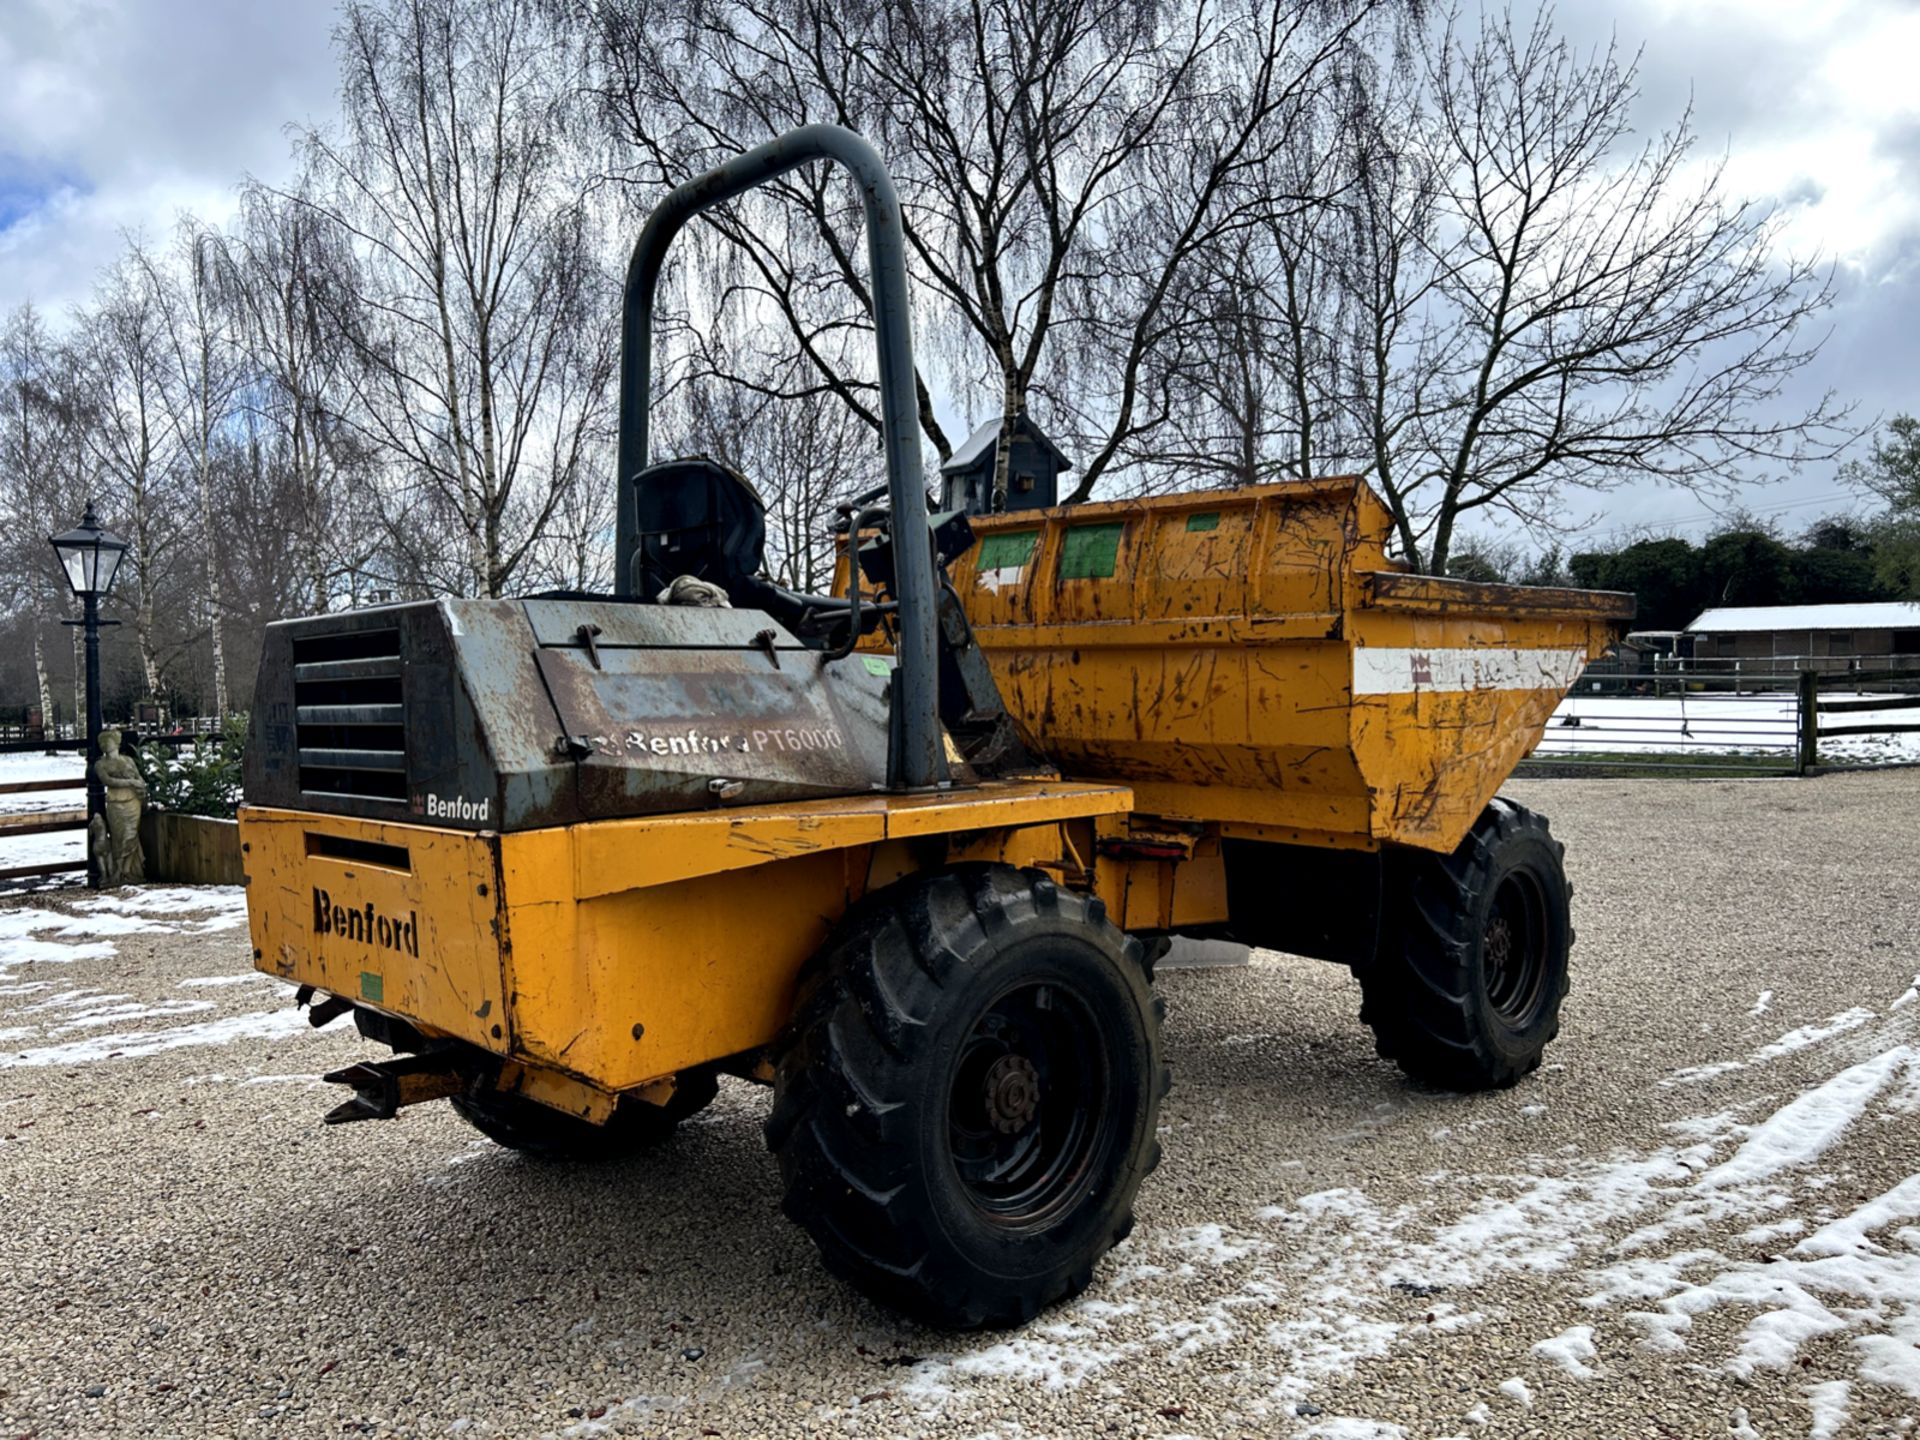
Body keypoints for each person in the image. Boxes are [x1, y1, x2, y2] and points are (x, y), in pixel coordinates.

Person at [91, 727, 147, 886]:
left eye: (108, 741)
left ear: (116, 743)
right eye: (103, 743)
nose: (105, 745)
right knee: (118, 837)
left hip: (132, 801)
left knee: (131, 834)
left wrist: (140, 785)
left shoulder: (128, 760)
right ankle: (118, 872)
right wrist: (130, 782)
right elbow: (109, 781)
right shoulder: (100, 765)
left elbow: (139, 777)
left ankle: (128, 872)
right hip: (115, 803)